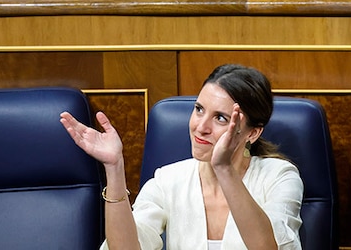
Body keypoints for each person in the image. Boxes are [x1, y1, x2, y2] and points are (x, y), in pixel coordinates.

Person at [60, 64, 303, 249]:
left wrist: (224, 169)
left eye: (220, 118)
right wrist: (114, 168)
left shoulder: (280, 177)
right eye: (199, 110)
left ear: (253, 132)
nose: (201, 127)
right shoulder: (169, 179)